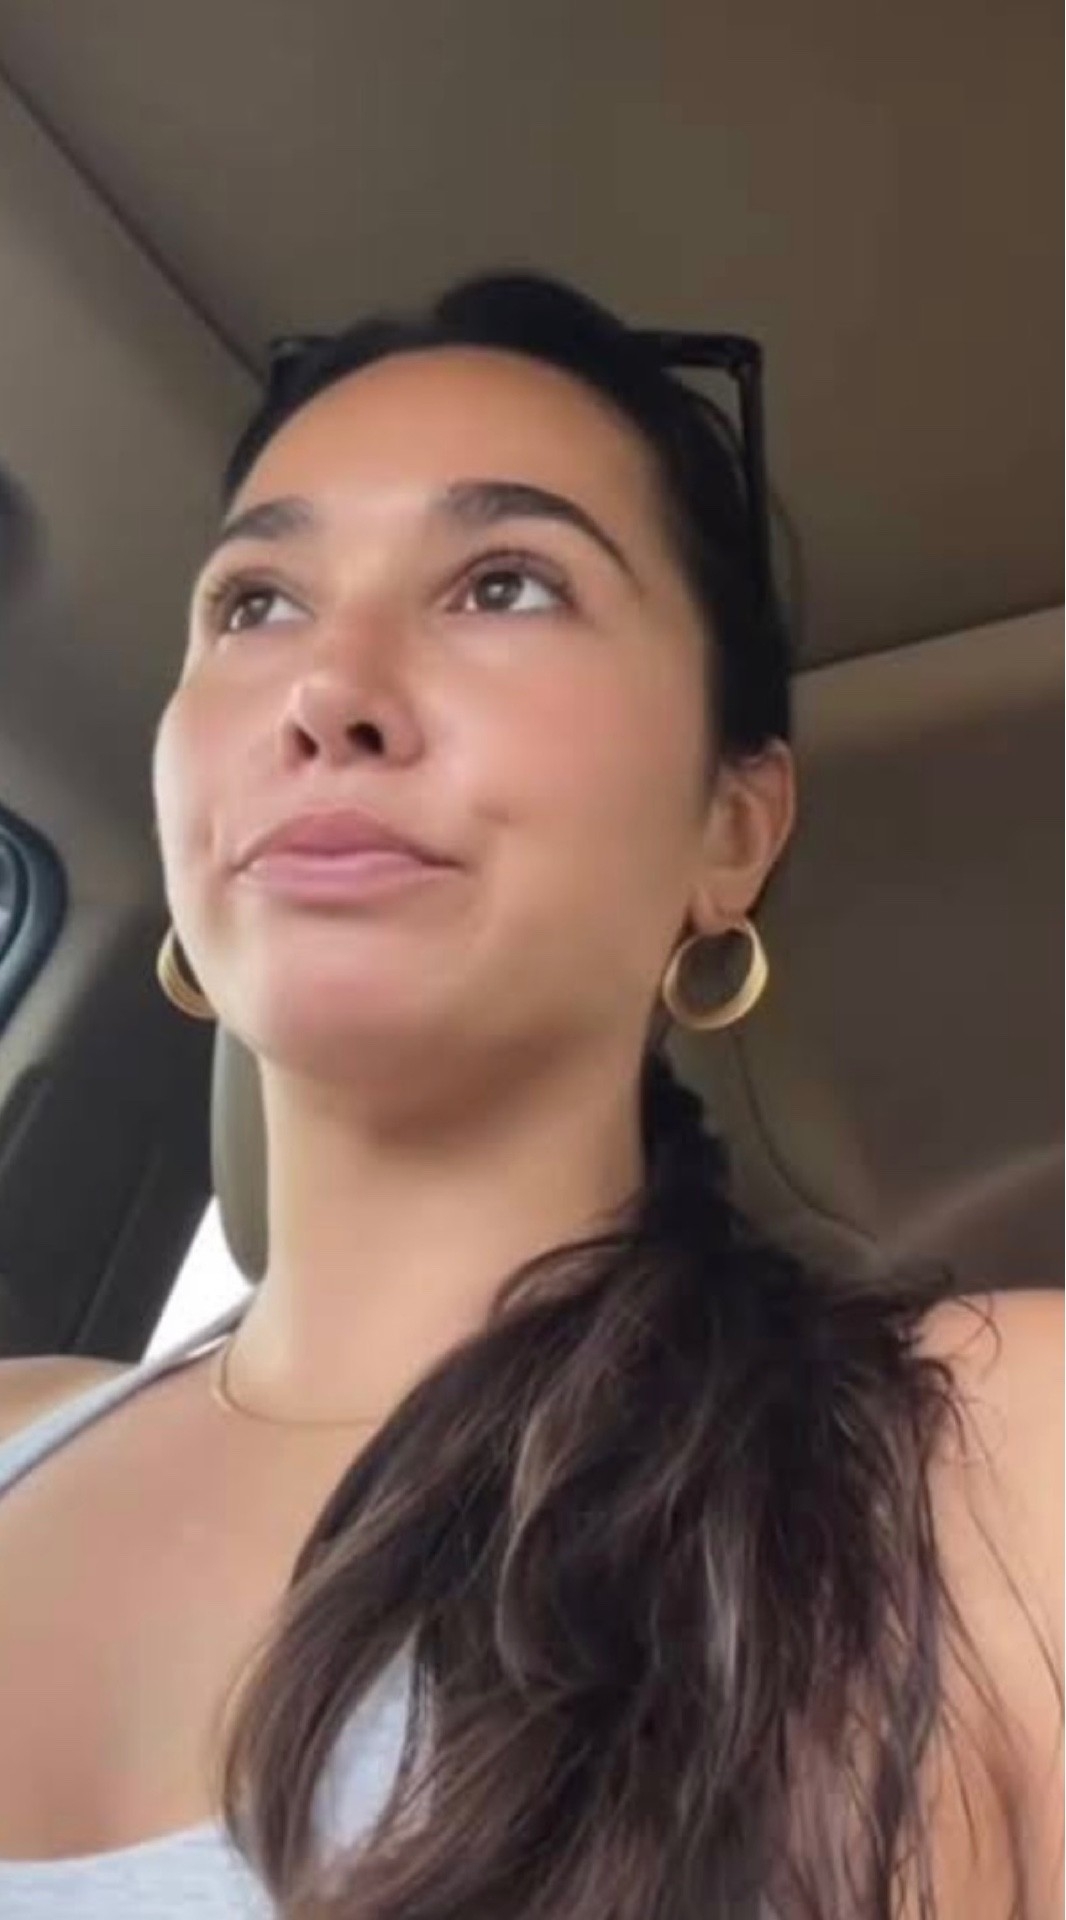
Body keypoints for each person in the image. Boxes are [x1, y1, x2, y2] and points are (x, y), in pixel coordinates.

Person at [0, 271, 1059, 1919]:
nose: (325, 691)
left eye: (505, 584)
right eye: (254, 604)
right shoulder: (14, 1420)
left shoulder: (991, 1473)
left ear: (731, 829)